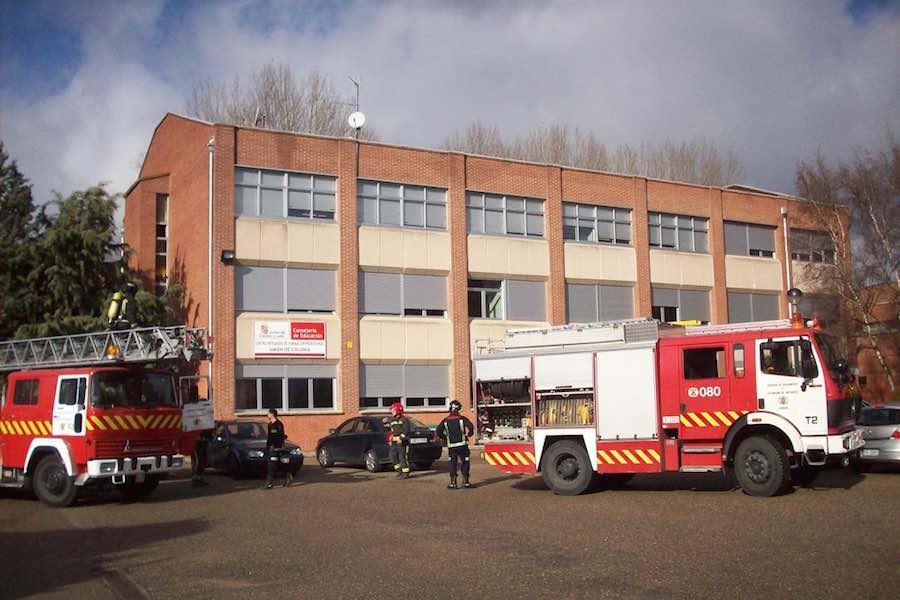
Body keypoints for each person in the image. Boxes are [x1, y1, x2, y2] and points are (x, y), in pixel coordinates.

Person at [435, 400, 475, 489]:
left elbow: (438, 431)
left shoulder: (445, 421)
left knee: (453, 464)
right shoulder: (462, 419)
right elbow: (471, 426)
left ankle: (453, 483)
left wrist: (445, 438)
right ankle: (466, 482)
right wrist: (469, 434)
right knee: (465, 462)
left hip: (452, 446)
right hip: (462, 446)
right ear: (458, 409)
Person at [264, 408, 292, 489]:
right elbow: (270, 437)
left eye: (268, 413)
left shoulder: (278, 424)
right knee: (273, 465)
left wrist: (277, 446)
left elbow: (280, 436)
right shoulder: (270, 425)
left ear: (272, 414)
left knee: (272, 465)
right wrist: (268, 446)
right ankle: (288, 477)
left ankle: (269, 483)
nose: (267, 415)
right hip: (271, 448)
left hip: (277, 448)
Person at [386, 402, 412, 479]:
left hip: (402, 442)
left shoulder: (404, 420)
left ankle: (405, 473)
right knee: (392, 456)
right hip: (394, 442)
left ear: (398, 410)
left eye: (393, 410)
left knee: (402, 457)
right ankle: (399, 470)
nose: (392, 411)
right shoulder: (391, 420)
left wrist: (401, 438)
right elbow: (390, 430)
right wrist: (390, 436)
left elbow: (406, 431)